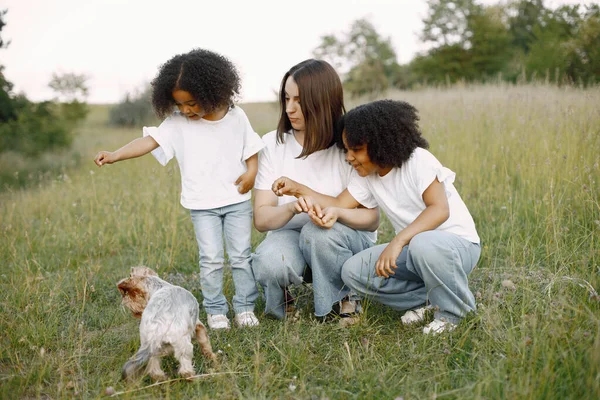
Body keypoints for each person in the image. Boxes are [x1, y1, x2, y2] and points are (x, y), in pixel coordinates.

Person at [93, 48, 265, 330]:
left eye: (192, 104)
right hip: (201, 205)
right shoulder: (177, 123)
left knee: (241, 257)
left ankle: (245, 307)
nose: (186, 110)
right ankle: (216, 310)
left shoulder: (237, 117)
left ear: (213, 93)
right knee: (210, 259)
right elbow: (148, 142)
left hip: (236, 201)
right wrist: (115, 154)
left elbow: (252, 148)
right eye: (179, 104)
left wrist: (252, 173)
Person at [282, 99, 480, 334]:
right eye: (347, 151)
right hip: (415, 250)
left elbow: (439, 209)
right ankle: (429, 300)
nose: (349, 158)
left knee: (422, 243)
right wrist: (298, 189)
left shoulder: (419, 160)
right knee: (354, 272)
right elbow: (338, 204)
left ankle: (454, 314)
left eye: (356, 150)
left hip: (457, 247)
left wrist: (398, 242)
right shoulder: (368, 175)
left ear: (380, 143)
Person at [252, 59, 378, 321]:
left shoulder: (349, 145)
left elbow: (371, 219)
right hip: (290, 236)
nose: (289, 108)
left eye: (299, 100)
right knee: (269, 262)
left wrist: (310, 197)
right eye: (286, 98)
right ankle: (283, 301)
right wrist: (289, 207)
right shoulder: (271, 146)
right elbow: (262, 220)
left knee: (317, 233)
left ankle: (344, 299)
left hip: (345, 240)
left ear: (322, 101)